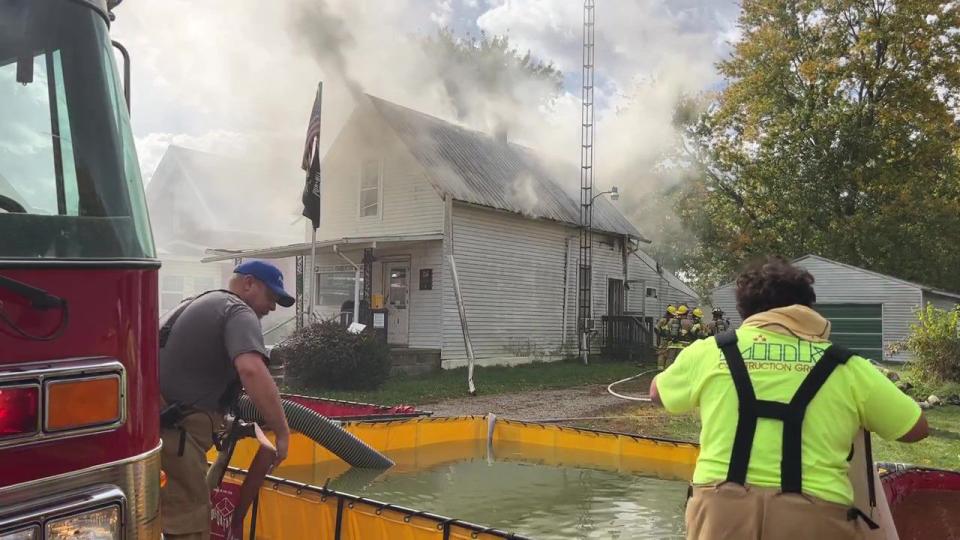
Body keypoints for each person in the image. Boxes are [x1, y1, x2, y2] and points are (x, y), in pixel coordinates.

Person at [649, 256, 927, 540]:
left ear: (745, 311)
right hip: (815, 517)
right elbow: (916, 428)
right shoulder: (848, 366)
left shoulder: (709, 352)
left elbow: (657, 393)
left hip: (720, 511)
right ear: (806, 307)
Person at [158, 260, 295, 539]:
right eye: (271, 297)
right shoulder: (238, 311)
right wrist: (281, 432)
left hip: (157, 424)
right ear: (248, 283)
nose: (272, 308)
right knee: (189, 523)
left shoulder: (197, 303)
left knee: (159, 514)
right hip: (181, 432)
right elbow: (251, 370)